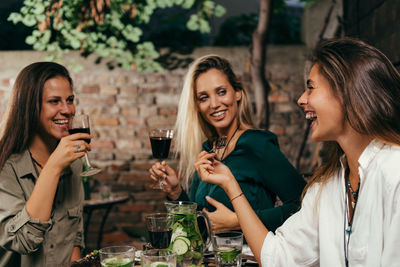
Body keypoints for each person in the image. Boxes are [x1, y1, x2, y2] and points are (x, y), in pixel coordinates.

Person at [196, 38, 400, 266]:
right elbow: (277, 257)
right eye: (203, 97)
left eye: (310, 87)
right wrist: (231, 185)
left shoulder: (395, 172)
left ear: (347, 90)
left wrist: (234, 220)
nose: (301, 99)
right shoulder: (328, 186)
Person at [149, 55, 306, 233]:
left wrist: (238, 221)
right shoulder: (207, 150)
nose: (214, 104)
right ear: (198, 106)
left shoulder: (256, 144)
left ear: (237, 92)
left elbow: (304, 207)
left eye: (221, 92)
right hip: (214, 260)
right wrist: (175, 191)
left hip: (252, 258)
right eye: (203, 98)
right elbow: (197, 225)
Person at [0, 62, 91, 266]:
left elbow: (74, 232)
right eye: (54, 101)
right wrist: (54, 167)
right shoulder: (5, 166)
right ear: (30, 107)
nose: (67, 110)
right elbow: (22, 241)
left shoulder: (73, 161)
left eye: (70, 100)